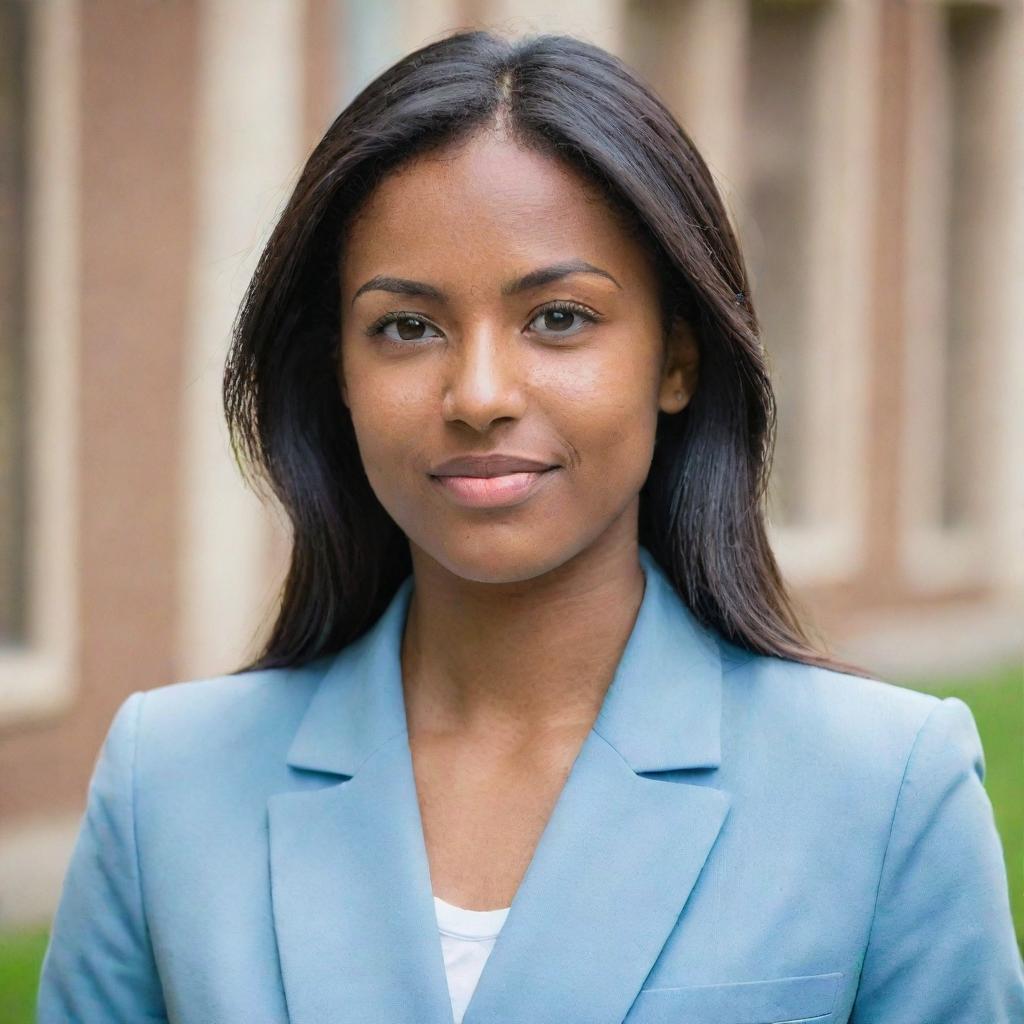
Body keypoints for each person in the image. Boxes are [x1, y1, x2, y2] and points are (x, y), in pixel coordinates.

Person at [37, 29, 1023, 1024]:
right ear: (337, 372)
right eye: (406, 327)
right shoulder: (166, 782)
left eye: (557, 317)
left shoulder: (885, 788)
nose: (477, 394)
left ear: (675, 358)